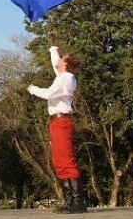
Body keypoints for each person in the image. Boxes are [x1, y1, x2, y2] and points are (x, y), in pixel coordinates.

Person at [27, 33, 86, 214]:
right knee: (59, 161)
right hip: (57, 121)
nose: (59, 60)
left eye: (62, 59)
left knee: (66, 160)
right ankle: (70, 202)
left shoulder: (65, 79)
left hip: (61, 121)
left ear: (66, 64)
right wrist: (53, 47)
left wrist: (32, 89)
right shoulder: (64, 76)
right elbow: (56, 65)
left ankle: (77, 203)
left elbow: (49, 94)